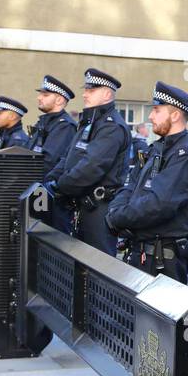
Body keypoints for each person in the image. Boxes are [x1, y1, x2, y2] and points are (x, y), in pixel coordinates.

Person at [106, 81, 188, 278]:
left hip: (163, 260)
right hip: (141, 252)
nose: (150, 117)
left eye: (156, 110)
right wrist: (114, 211)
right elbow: (131, 186)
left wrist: (116, 218)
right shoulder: (156, 149)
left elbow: (159, 204)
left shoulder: (187, 157)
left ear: (175, 115)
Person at [46, 69, 130, 255]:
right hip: (80, 206)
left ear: (107, 94)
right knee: (78, 269)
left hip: (99, 209)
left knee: (98, 272)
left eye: (91, 90)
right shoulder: (89, 123)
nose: (85, 94)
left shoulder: (111, 126)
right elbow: (67, 159)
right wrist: (48, 182)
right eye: (86, 89)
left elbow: (91, 167)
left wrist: (59, 186)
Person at [28, 75, 79, 235]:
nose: (39, 98)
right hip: (37, 193)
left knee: (53, 248)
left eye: (45, 95)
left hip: (51, 199)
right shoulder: (44, 123)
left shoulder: (64, 126)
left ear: (59, 100)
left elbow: (48, 162)